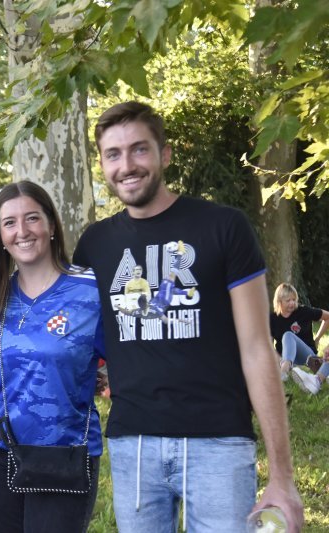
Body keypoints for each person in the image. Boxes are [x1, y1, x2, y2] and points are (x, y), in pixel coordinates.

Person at [72, 101, 303, 531]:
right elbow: (59, 311)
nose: (127, 165)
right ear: (102, 163)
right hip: (133, 445)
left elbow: (257, 347)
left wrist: (282, 476)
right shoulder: (95, 243)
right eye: (113, 154)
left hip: (218, 442)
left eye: (139, 149)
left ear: (166, 153)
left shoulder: (223, 227)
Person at [0, 181, 104, 533]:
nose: (22, 231)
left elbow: (132, 361)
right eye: (10, 222)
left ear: (51, 225)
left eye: (32, 218)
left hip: (64, 453)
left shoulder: (91, 291)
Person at [271, 282, 329, 395]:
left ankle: (285, 370)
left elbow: (327, 317)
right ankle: (287, 366)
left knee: (288, 335)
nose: (292, 303)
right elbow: (268, 346)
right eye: (288, 300)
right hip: (282, 358)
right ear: (279, 301)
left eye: (294, 299)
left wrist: (317, 338)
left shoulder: (304, 311)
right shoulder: (272, 319)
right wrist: (278, 360)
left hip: (307, 357)